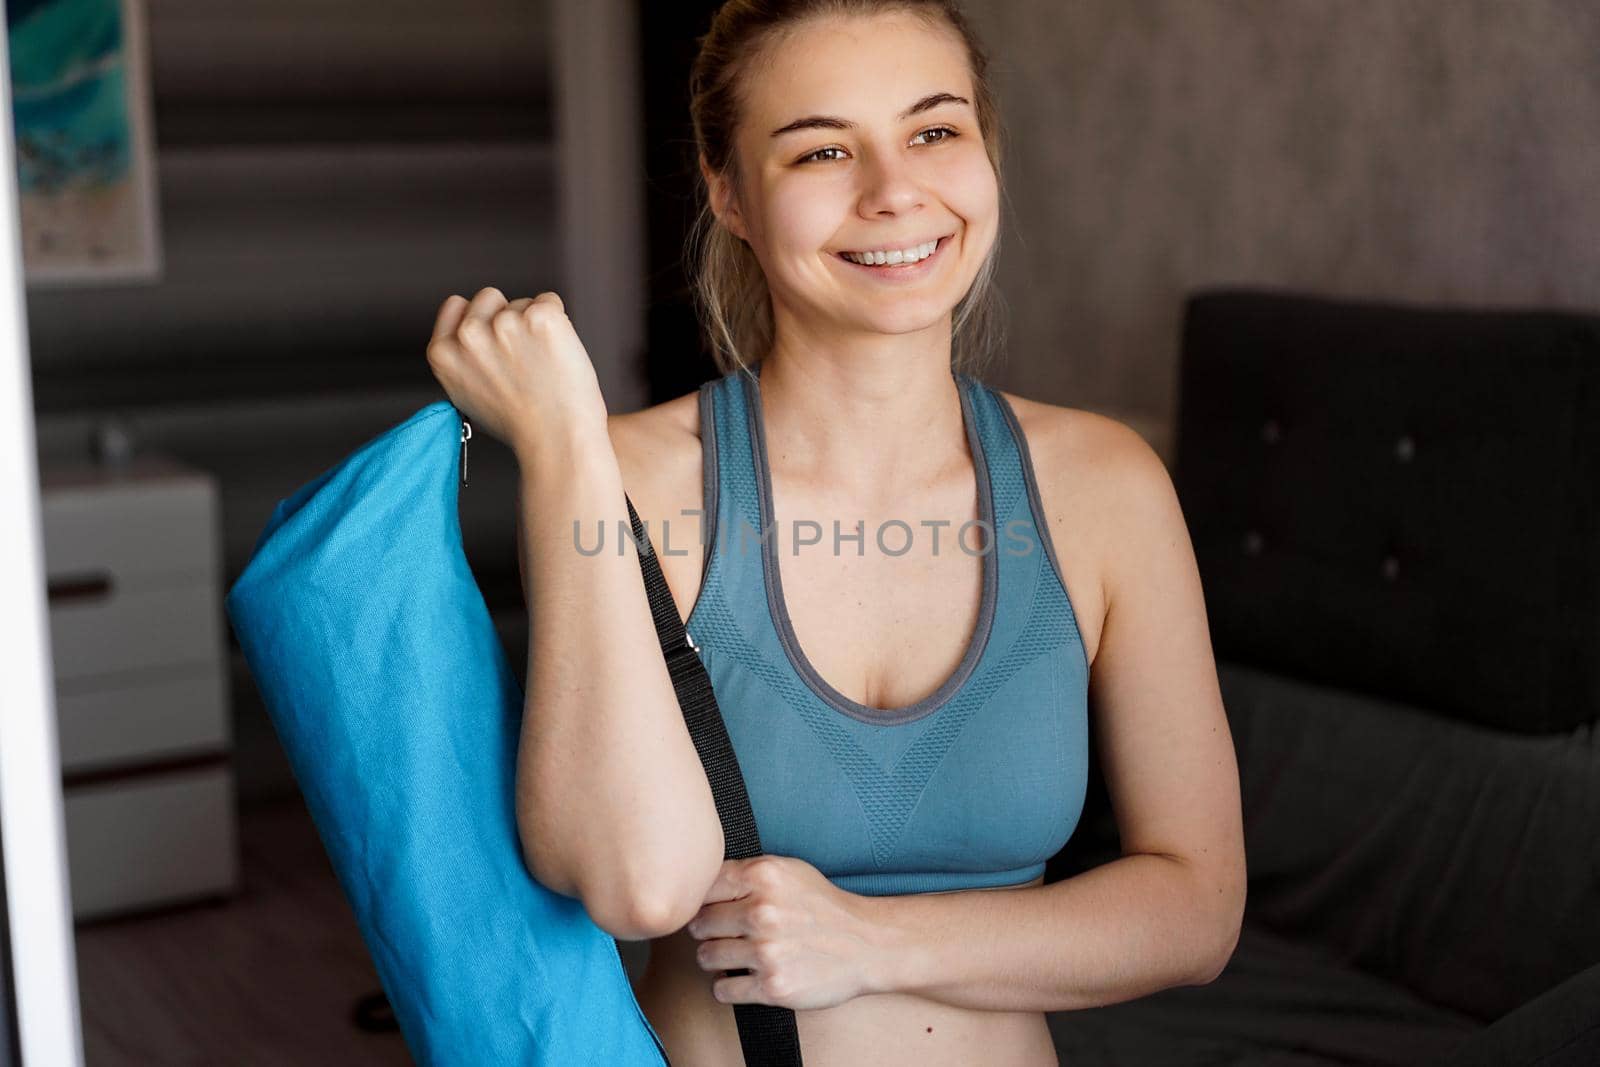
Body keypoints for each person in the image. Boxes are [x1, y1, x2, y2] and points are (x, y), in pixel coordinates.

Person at [424, 2, 1246, 1063]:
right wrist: (561, 445)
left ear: (985, 152)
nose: (894, 190)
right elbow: (628, 881)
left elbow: (1197, 909)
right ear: (729, 191)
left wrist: (866, 939)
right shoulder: (620, 474)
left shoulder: (1106, 487)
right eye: (822, 148)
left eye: (934, 130)